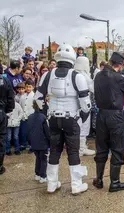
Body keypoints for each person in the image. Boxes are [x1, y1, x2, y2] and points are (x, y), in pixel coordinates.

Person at [35, 43, 91, 195]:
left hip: (53, 118)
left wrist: (47, 112)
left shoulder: (47, 75)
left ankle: (51, 184)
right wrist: (80, 118)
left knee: (54, 151)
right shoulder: (77, 76)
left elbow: (38, 98)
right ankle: (76, 185)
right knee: (73, 152)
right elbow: (86, 104)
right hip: (70, 119)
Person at [93, 52, 124, 192]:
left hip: (101, 115)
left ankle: (99, 179)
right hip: (115, 116)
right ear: (120, 64)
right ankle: (115, 182)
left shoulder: (98, 75)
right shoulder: (118, 77)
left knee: (101, 148)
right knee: (117, 147)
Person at [74, 56, 95, 156]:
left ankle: (79, 147)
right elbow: (93, 88)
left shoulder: (72, 73)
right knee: (84, 126)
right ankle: (81, 149)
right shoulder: (83, 75)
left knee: (77, 126)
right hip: (83, 105)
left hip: (74, 105)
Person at [27, 101, 50, 183]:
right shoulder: (43, 117)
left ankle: (37, 174)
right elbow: (47, 132)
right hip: (42, 142)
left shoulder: (30, 117)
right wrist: (50, 142)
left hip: (33, 142)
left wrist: (30, 142)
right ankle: (43, 176)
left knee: (38, 158)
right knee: (43, 159)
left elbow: (28, 131)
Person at [0, 69, 15, 174]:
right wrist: (8, 111)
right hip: (1, 112)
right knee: (1, 138)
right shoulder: (5, 81)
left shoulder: (5, 81)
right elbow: (11, 98)